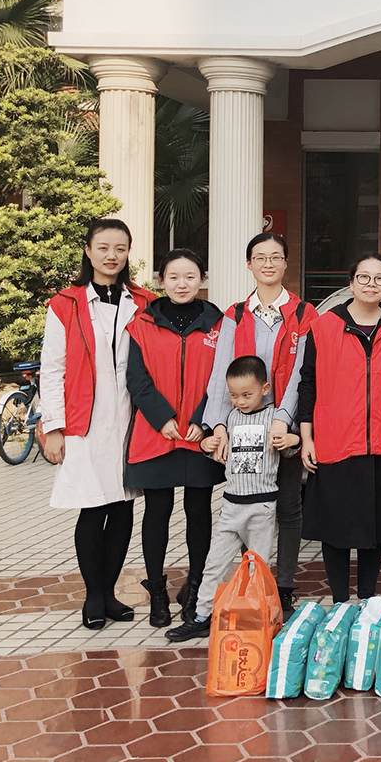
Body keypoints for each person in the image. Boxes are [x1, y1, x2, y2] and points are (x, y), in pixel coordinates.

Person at [39, 218, 154, 630]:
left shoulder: (144, 301)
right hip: (84, 421)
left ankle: (110, 593)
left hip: (130, 419)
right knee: (92, 507)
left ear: (128, 254)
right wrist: (53, 428)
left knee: (123, 506)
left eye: (120, 248)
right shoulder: (65, 304)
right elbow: (52, 369)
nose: (111, 256)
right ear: (88, 251)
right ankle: (93, 595)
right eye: (103, 247)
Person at [203, 232, 317, 614]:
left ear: (286, 262)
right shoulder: (235, 315)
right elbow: (220, 372)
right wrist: (218, 427)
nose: (268, 264)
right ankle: (245, 587)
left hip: (282, 429)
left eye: (275, 257)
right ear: (249, 264)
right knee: (244, 507)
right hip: (241, 429)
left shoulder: (304, 314)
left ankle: (281, 587)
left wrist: (284, 419)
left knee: (288, 507)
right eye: (260, 257)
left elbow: (302, 373)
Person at [124, 248, 225, 628]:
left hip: (199, 436)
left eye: (190, 276)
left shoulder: (220, 324)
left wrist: (203, 420)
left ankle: (195, 589)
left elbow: (222, 378)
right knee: (157, 512)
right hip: (157, 434)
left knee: (199, 512)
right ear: (160, 281)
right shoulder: (141, 323)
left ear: (202, 280)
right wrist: (161, 418)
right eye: (173, 277)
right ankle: (157, 593)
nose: (182, 284)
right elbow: (136, 379)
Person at [166, 355, 300, 641]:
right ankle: (201, 615)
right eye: (234, 395)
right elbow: (215, 450)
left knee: (257, 568)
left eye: (247, 395)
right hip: (231, 505)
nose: (240, 401)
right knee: (214, 564)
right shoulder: (229, 418)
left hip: (261, 507)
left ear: (265, 389)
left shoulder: (275, 418)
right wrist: (206, 444)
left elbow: (290, 447)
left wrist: (293, 440)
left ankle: (257, 618)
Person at [300, 253, 381, 603]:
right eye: (364, 277)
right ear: (351, 282)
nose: (371, 284)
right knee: (336, 529)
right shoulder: (324, 326)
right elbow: (307, 383)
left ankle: (368, 600)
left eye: (379, 278)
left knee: (375, 529)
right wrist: (306, 437)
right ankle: (340, 602)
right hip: (336, 441)